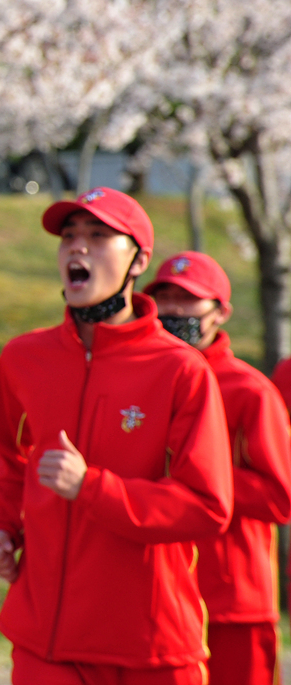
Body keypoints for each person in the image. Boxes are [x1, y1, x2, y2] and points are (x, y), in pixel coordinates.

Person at [0, 187, 233, 684]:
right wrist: (0, 529)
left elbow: (208, 504)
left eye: (98, 237)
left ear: (138, 259)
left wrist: (91, 487)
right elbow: (9, 463)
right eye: (69, 236)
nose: (77, 248)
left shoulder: (181, 370)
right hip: (43, 645)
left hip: (149, 649)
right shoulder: (23, 359)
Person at [144, 251, 291, 685]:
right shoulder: (145, 379)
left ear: (221, 312)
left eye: (188, 300)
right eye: (165, 297)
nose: (173, 310)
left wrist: (199, 476)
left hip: (233, 602)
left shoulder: (250, 391)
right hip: (159, 595)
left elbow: (280, 498)